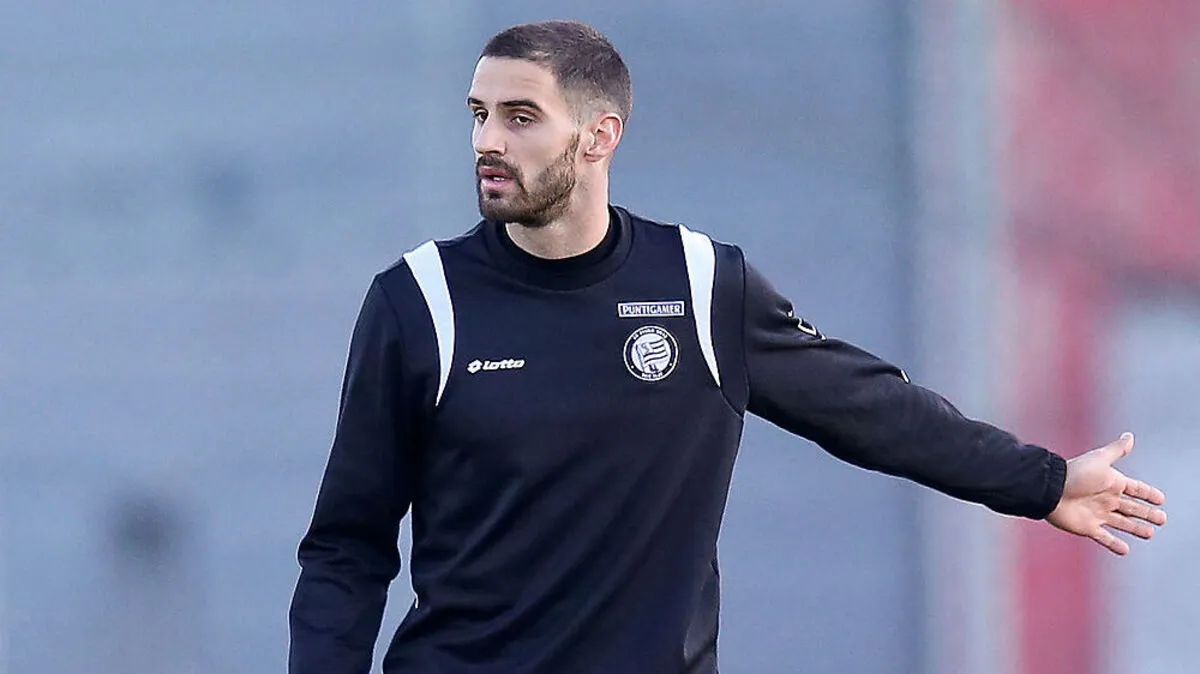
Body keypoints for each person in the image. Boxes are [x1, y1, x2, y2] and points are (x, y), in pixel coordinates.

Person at [287, 19, 1168, 674]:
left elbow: (871, 410)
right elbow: (346, 545)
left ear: (599, 136)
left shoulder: (703, 286)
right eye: (479, 114)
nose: (487, 141)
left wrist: (1041, 482)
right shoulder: (419, 302)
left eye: (521, 117)